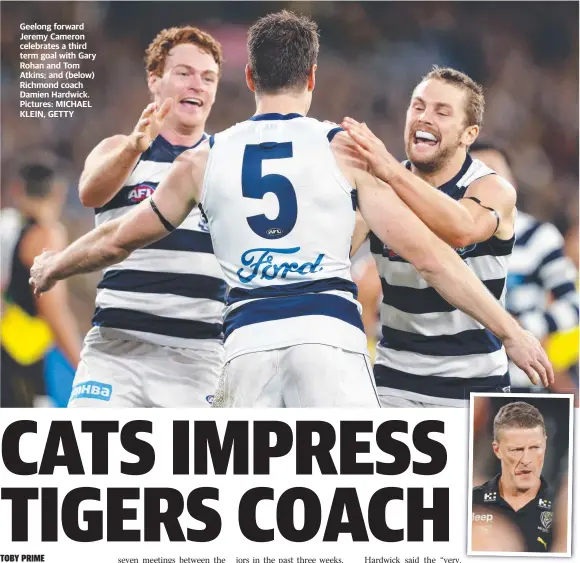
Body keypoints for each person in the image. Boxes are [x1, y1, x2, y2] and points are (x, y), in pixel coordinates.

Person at [30, 11, 552, 408]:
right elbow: (432, 258)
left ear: (250, 78)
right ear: (313, 79)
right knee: (349, 502)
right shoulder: (346, 151)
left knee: (244, 508)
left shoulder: (204, 158)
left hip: (247, 341)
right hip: (328, 338)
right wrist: (510, 331)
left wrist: (56, 264)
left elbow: (119, 237)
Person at [344, 67, 538, 407]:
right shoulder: (379, 187)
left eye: (441, 111)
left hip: (474, 381)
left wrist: (389, 171)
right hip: (395, 380)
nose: (424, 117)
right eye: (417, 106)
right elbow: (337, 250)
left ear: (469, 134)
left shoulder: (492, 188)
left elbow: (461, 229)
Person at [68, 26, 227, 407]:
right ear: (155, 81)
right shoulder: (118, 149)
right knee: (83, 459)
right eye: (184, 73)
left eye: (208, 78)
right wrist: (134, 148)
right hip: (117, 348)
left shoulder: (228, 161)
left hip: (198, 356)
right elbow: (90, 191)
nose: (197, 85)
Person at [469, 142, 579, 394]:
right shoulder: (445, 240)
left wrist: (520, 329)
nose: (486, 185)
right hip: (458, 382)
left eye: (493, 174)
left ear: (512, 184)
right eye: (475, 176)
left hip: (522, 386)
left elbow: (573, 304)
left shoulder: (539, 237)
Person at [1, 161, 82, 407]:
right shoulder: (47, 235)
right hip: (22, 353)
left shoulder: (6, 226)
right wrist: (83, 367)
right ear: (59, 193)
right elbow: (53, 310)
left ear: (17, 189)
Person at [472, 401, 556, 552]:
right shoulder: (470, 500)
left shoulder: (563, 508)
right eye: (516, 449)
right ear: (497, 450)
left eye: (535, 448)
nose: (526, 460)